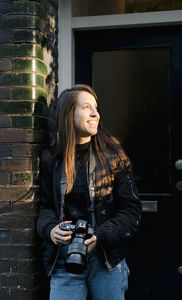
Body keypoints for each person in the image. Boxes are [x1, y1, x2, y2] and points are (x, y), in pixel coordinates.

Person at [37, 84, 142, 300]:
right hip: (65, 255)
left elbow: (132, 211)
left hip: (106, 258)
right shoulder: (51, 159)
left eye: (96, 107)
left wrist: (100, 235)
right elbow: (46, 206)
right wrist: (50, 229)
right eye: (86, 107)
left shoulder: (113, 156)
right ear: (68, 114)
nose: (95, 114)